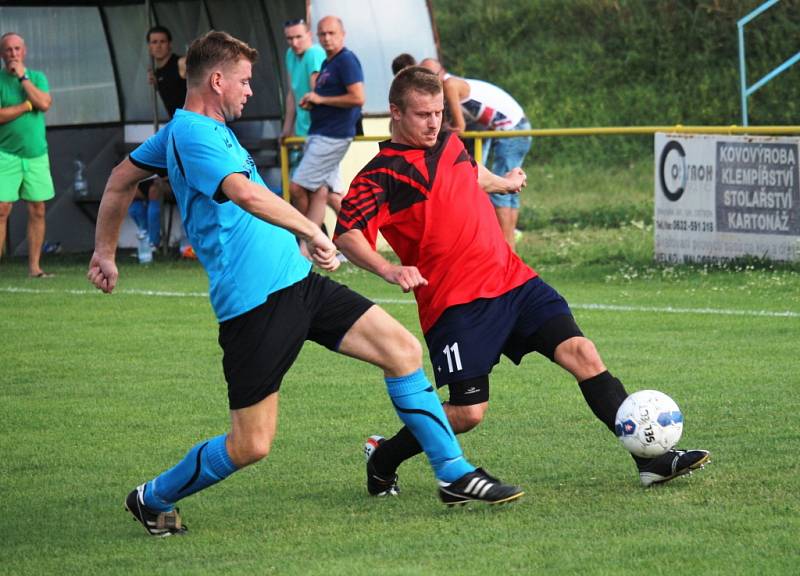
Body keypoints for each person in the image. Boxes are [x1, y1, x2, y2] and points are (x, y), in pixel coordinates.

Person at [88, 32, 523, 536]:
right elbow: (245, 194)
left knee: (401, 350)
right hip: (255, 304)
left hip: (299, 284)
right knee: (251, 444)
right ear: (217, 80)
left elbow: (120, 178)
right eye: (245, 82)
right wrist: (311, 228)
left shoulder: (193, 130)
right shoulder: (191, 134)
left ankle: (454, 474)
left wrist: (104, 251)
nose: (250, 92)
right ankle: (153, 497)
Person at [334, 66, 710, 498]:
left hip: (513, 281)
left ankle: (651, 461)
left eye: (438, 111)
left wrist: (503, 183)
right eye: (423, 114)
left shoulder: (450, 142)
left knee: (582, 352)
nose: (434, 122)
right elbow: (346, 232)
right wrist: (388, 268)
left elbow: (469, 172)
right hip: (457, 304)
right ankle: (383, 457)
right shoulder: (380, 174)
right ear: (395, 114)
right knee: (468, 412)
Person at [421, 58, 531, 252]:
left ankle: (508, 250)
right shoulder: (453, 83)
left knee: (501, 190)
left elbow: (460, 127)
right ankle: (510, 248)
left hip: (512, 131)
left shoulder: (449, 85)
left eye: (428, 77)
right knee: (510, 193)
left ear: (440, 73)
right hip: (517, 128)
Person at [289, 16, 364, 230]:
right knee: (328, 194)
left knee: (297, 188)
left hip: (332, 136)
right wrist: (313, 103)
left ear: (343, 34)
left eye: (332, 33)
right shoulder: (327, 62)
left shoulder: (347, 60)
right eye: (322, 34)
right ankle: (353, 241)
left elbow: (358, 98)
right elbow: (327, 98)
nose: (326, 38)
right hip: (321, 132)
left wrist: (320, 99)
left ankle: (309, 238)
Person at [130, 25, 192, 256]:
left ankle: (165, 243)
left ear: (170, 44)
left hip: (186, 130)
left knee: (164, 187)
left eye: (162, 41)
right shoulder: (156, 72)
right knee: (135, 188)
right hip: (174, 130)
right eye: (153, 42)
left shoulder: (180, 64)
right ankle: (148, 240)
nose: (158, 46)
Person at [0, 32, 54, 278]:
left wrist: (23, 77)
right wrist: (26, 106)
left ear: (25, 52)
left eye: (17, 49)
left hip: (36, 155)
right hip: (5, 155)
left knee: (38, 209)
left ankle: (34, 267)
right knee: (2, 209)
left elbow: (43, 103)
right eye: (9, 50)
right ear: (2, 54)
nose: (13, 54)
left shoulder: (38, 77)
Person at [280, 18, 326, 178]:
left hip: (318, 135)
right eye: (289, 38)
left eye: (298, 37)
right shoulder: (290, 55)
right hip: (301, 133)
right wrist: (287, 129)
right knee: (299, 189)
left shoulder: (315, 53)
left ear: (309, 34)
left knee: (321, 191)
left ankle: (351, 204)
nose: (294, 42)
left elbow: (318, 95)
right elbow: (292, 94)